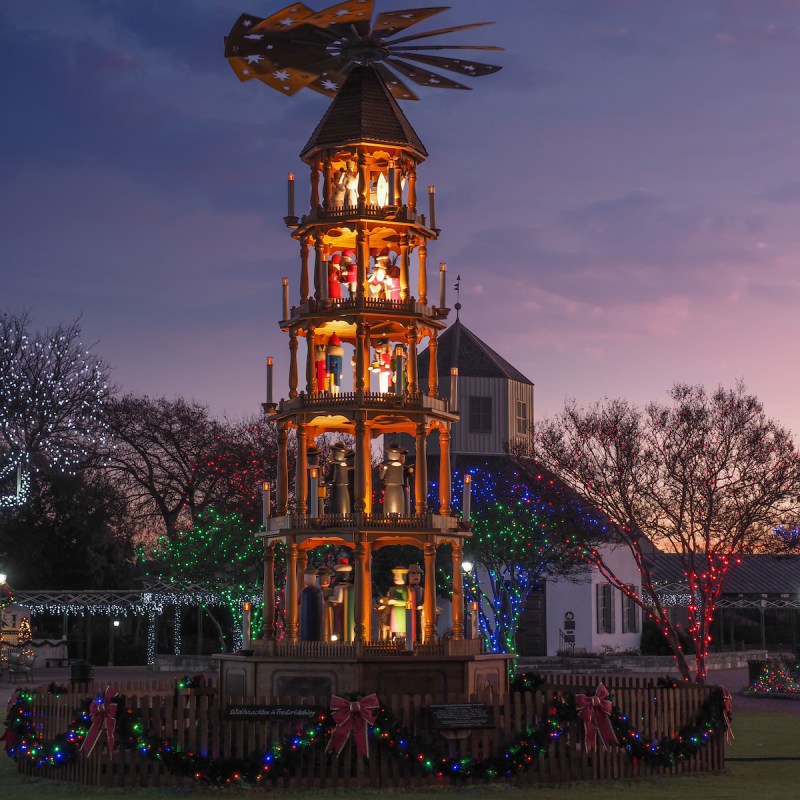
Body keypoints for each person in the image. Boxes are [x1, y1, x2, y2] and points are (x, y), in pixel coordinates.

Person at [379, 567, 410, 639]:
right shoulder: (392, 589)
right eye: (395, 576)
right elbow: (389, 598)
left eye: (398, 576)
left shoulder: (405, 589)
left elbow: (405, 601)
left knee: (401, 627)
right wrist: (385, 600)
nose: (395, 577)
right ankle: (393, 638)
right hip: (393, 611)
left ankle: (401, 638)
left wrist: (395, 601)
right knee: (394, 626)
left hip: (401, 611)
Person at [330, 559, 355, 642]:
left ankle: (341, 637)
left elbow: (338, 599)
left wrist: (329, 598)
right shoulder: (350, 587)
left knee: (339, 623)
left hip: (340, 608)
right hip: (347, 608)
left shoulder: (339, 587)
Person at [380, 443, 408, 515]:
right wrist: (383, 470)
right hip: (391, 487)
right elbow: (381, 476)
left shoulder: (401, 467)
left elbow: (381, 476)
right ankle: (389, 516)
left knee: (399, 504)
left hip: (397, 487)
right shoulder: (389, 466)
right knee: (389, 504)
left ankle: (399, 516)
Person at [326, 441, 353, 515]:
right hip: (344, 491)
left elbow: (332, 478)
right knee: (344, 506)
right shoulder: (344, 466)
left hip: (337, 490)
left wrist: (324, 482)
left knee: (336, 507)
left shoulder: (335, 466)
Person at [299, 569, 323, 642]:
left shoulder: (306, 591)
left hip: (312, 621)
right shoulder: (316, 591)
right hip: (309, 621)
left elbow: (297, 601)